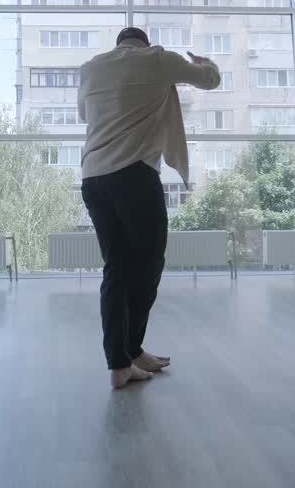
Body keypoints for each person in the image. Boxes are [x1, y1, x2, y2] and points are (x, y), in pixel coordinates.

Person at [77, 27, 221, 389]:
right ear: (142, 43)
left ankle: (124, 357)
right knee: (148, 265)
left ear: (118, 45)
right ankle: (126, 355)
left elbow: (84, 114)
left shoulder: (91, 68)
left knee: (117, 269)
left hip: (94, 179)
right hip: (134, 176)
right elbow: (210, 81)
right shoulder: (157, 59)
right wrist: (204, 62)